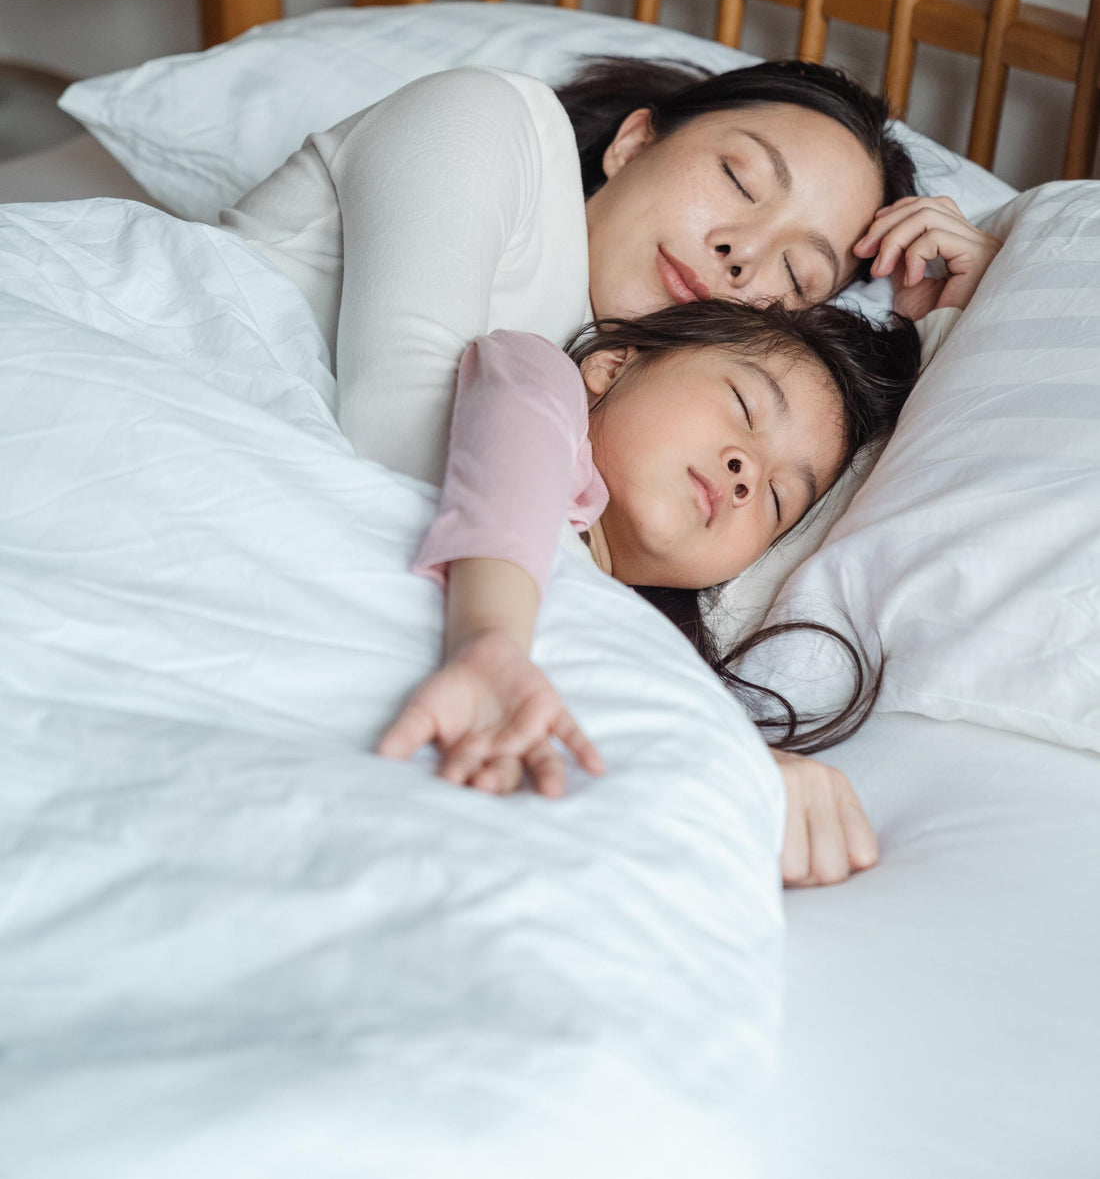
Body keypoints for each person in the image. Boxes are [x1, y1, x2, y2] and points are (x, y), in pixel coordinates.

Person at [221, 54, 1000, 884]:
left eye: (797, 275)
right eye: (739, 179)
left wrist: (949, 332)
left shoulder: (629, 402)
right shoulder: (492, 121)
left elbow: (782, 530)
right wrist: (685, 738)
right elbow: (407, 445)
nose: (742, 254)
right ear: (634, 141)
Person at [379, 298, 921, 795]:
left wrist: (751, 772)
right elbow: (514, 448)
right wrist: (488, 640)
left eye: (777, 500)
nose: (747, 475)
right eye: (743, 405)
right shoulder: (537, 380)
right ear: (614, 364)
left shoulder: (654, 655)